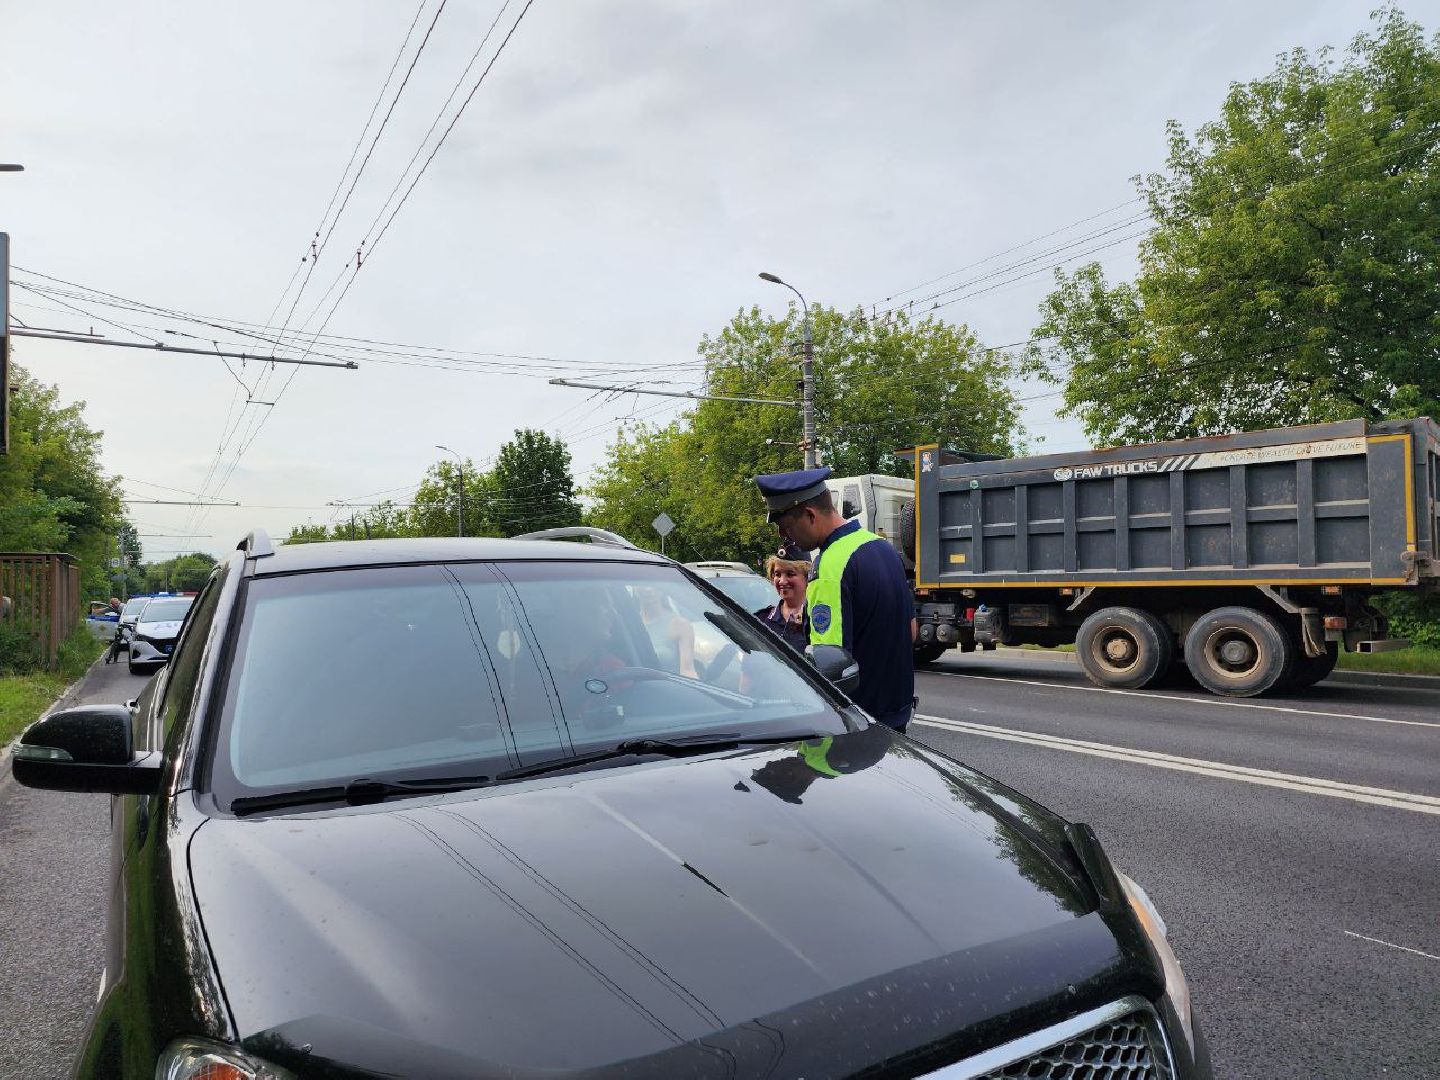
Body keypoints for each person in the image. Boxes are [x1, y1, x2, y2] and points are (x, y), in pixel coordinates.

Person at [754, 467, 916, 732]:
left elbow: (828, 670)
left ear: (809, 515)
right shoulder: (883, 547)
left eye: (786, 527)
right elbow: (911, 631)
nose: (785, 537)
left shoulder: (829, 567)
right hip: (895, 716)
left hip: (854, 728)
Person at [754, 541, 810, 653]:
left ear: (807, 577)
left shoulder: (817, 620)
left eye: (790, 574)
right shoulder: (761, 619)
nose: (782, 581)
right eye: (777, 574)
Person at [636, 586, 697, 678]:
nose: (648, 589)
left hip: (669, 688)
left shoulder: (679, 624)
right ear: (635, 587)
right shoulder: (628, 625)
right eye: (643, 584)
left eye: (653, 584)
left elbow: (687, 670)